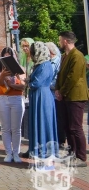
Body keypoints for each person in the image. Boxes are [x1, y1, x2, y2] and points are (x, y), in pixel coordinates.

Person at [55, 31, 88, 167]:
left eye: (60, 40)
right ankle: (72, 153)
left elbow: (73, 78)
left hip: (75, 96)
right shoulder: (65, 56)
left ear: (66, 41)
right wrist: (57, 89)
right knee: (67, 126)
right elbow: (60, 75)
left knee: (76, 127)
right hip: (65, 96)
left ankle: (81, 156)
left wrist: (61, 91)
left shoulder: (77, 56)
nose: (59, 42)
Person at [27, 42, 58, 158]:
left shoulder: (45, 65)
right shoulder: (39, 64)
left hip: (43, 97)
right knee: (38, 123)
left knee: (43, 123)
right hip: (38, 96)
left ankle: (45, 154)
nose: (32, 54)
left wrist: (28, 82)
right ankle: (38, 153)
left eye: (33, 52)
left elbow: (37, 82)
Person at [0, 46, 26, 163]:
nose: (7, 58)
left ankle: (16, 153)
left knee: (16, 128)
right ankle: (8, 153)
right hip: (2, 98)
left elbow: (23, 85)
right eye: (5, 56)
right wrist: (2, 75)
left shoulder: (21, 69)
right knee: (5, 128)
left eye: (10, 56)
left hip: (16, 98)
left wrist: (12, 84)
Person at [46, 41, 66, 147]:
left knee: (58, 118)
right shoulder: (47, 62)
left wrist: (45, 85)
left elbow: (57, 79)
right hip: (49, 94)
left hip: (56, 94)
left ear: (51, 52)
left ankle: (60, 140)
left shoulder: (58, 61)